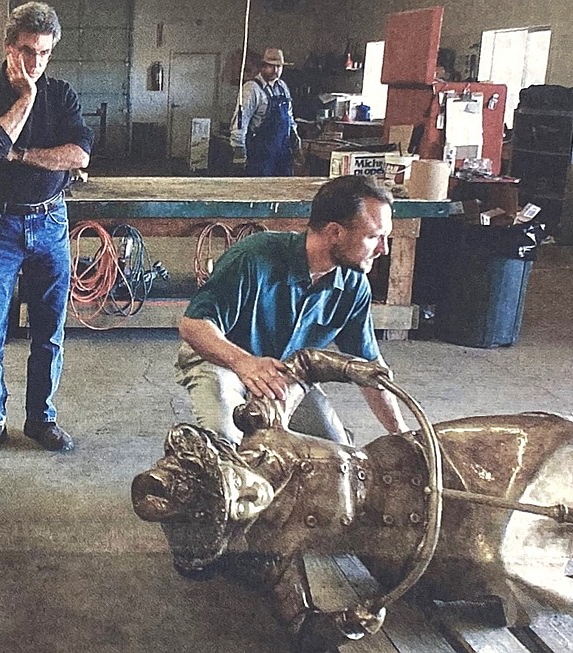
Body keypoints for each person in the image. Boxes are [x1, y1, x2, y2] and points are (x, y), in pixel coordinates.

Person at [175, 175, 408, 445]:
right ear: (335, 232)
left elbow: (369, 368)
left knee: (338, 453)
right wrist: (245, 363)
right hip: (222, 361)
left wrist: (402, 435)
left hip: (284, 374)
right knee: (230, 443)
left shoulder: (353, 285)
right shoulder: (253, 258)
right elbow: (193, 325)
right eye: (373, 237)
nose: (384, 249)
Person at [0, 2, 94, 459]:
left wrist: (20, 155)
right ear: (8, 46)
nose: (36, 63)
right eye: (27, 51)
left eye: (45, 53)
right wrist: (25, 99)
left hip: (51, 220)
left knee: (49, 331)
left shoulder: (64, 94)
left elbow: (78, 155)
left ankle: (41, 419)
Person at [234, 47, 301, 177]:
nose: (276, 70)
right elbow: (240, 124)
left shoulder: (283, 87)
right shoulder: (251, 89)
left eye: (279, 67)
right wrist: (239, 155)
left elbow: (289, 118)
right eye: (272, 66)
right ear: (263, 66)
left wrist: (296, 142)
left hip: (283, 154)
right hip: (261, 155)